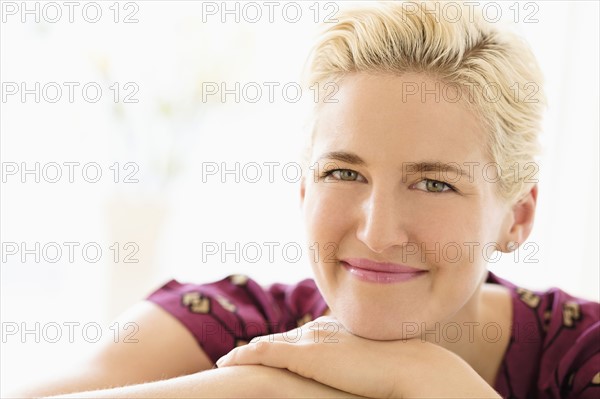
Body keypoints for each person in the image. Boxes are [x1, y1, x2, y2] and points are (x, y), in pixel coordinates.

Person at [12, 1, 599, 398]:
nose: (377, 230)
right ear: (303, 189)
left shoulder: (581, 353)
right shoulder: (222, 324)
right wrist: (263, 388)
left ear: (517, 217)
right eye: (344, 173)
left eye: (434, 183)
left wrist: (432, 378)